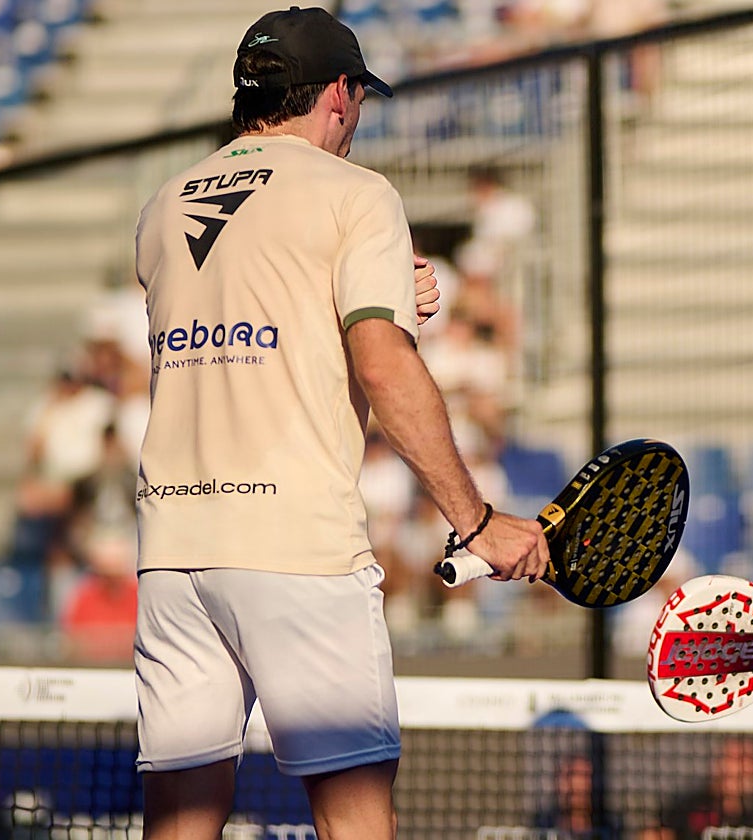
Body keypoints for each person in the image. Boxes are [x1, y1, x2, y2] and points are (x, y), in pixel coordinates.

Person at [131, 8, 550, 840]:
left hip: (173, 552)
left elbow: (251, 325)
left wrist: (388, 298)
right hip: (296, 549)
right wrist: (476, 523)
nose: (356, 118)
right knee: (355, 822)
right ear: (335, 93)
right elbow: (382, 364)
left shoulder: (163, 204)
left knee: (179, 826)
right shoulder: (357, 194)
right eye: (358, 98)